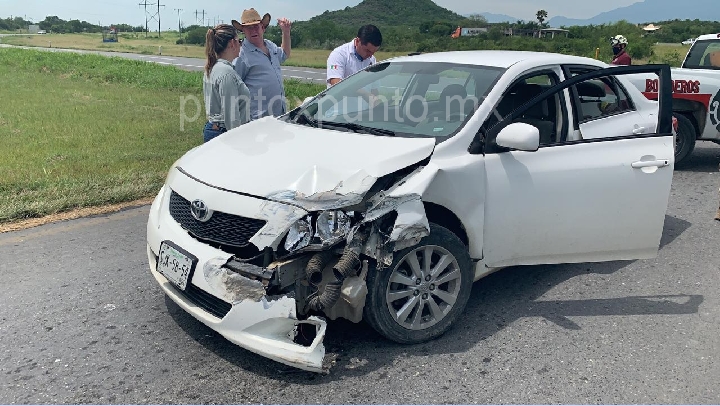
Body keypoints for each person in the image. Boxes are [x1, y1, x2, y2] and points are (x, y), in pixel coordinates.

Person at [232, 8, 292, 120]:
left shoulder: (270, 45)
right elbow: (234, 88)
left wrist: (286, 32)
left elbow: (284, 54)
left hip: (279, 113)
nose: (253, 30)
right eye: (248, 28)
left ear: (263, 28)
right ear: (243, 31)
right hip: (258, 118)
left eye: (256, 26)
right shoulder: (241, 55)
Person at [202, 24, 251, 143]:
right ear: (231, 43)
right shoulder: (226, 72)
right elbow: (231, 115)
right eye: (239, 40)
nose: (241, 44)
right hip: (224, 132)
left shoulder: (213, 67)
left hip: (216, 129)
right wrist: (239, 142)